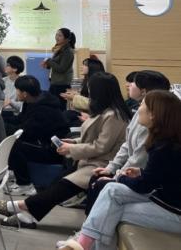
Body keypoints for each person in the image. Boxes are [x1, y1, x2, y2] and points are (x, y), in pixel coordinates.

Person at [0, 72, 131, 229]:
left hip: (101, 165)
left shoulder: (114, 116)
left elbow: (101, 146)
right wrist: (74, 142)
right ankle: (26, 216)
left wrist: (72, 148)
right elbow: (94, 140)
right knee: (56, 185)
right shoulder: (105, 112)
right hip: (90, 161)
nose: (88, 94)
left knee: (62, 186)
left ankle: (18, 206)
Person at [58, 91, 181, 250]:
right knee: (111, 191)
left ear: (153, 115)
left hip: (173, 213)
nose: (139, 109)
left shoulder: (165, 147)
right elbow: (162, 176)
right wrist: (139, 173)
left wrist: (121, 177)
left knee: (109, 212)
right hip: (163, 201)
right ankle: (84, 244)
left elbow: (145, 185)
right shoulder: (165, 142)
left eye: (143, 105)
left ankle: (84, 244)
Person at [83, 70, 170, 214]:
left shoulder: (152, 121)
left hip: (144, 178)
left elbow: (139, 159)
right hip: (135, 172)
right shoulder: (141, 110)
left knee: (102, 184)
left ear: (144, 91)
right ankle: (89, 223)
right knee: (98, 178)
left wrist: (117, 176)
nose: (128, 85)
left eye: (132, 83)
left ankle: (91, 225)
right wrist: (111, 168)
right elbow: (126, 145)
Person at [4, 75, 71, 196]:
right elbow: (20, 120)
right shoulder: (33, 101)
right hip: (41, 141)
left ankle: (25, 185)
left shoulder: (43, 110)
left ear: (25, 93)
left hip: (54, 151)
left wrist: (3, 127)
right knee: (14, 138)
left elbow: (25, 133)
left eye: (17, 90)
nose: (16, 93)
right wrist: (1, 119)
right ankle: (16, 173)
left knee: (15, 145)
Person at [41, 28, 76, 110]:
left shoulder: (68, 51)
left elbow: (62, 68)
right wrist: (48, 65)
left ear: (66, 39)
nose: (57, 37)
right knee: (52, 106)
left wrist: (49, 61)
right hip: (55, 82)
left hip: (61, 84)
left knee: (59, 107)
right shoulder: (59, 48)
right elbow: (56, 64)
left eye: (60, 35)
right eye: (56, 35)